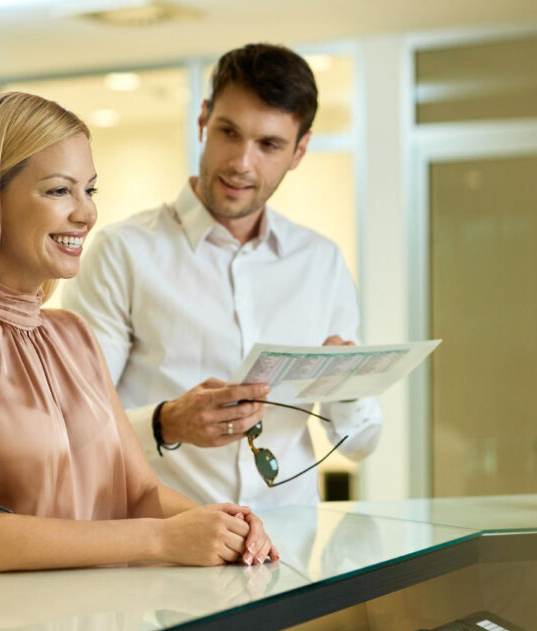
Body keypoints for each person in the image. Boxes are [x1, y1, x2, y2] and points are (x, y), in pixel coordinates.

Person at [0, 91, 276, 572]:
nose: (86, 213)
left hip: (101, 629)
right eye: (58, 190)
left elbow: (139, 493)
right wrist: (161, 540)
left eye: (89, 190)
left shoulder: (72, 334)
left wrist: (228, 523)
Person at [63, 43, 382, 511]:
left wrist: (346, 388)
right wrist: (165, 423)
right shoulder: (122, 252)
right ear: (203, 120)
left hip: (287, 550)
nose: (241, 162)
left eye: (269, 145)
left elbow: (359, 444)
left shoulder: (322, 263)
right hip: (161, 552)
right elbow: (74, 424)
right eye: (229, 132)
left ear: (300, 150)